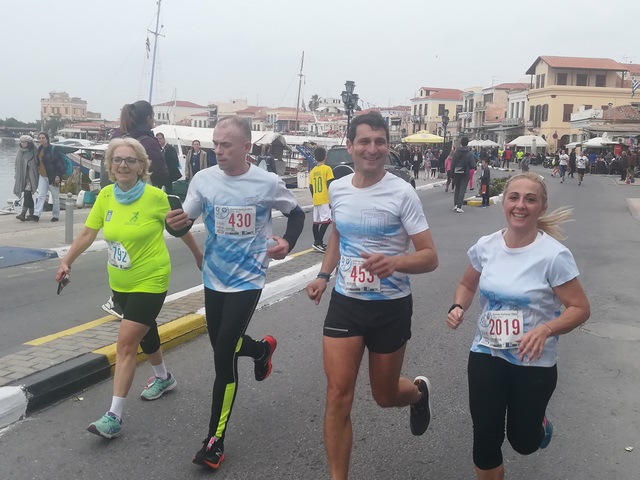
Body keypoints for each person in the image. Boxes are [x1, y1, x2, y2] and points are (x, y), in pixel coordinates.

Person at [165, 116, 305, 471]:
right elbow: (185, 220)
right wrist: (174, 223)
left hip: (248, 279)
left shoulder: (267, 182)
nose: (218, 150)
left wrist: (288, 242)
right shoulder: (203, 179)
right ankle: (260, 350)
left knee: (223, 355)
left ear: (246, 147)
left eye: (226, 145)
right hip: (214, 277)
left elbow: (296, 214)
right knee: (222, 346)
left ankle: (215, 441)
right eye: (216, 144)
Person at [305, 112, 439, 480]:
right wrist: (323, 275)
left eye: (380, 141)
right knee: (337, 395)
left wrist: (395, 262)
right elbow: (338, 234)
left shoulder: (402, 192)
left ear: (388, 147)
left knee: (384, 395)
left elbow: (430, 257)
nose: (372, 148)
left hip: (390, 308)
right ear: (350, 146)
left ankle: (417, 393)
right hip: (346, 303)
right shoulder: (338, 188)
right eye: (364, 141)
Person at [55, 138, 202, 439]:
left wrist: (199, 257)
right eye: (117, 160)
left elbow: (180, 229)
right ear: (110, 165)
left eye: (130, 160)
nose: (123, 165)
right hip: (119, 282)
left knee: (125, 344)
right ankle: (164, 377)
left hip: (151, 279)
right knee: (146, 333)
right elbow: (88, 233)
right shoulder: (106, 195)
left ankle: (113, 416)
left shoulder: (155, 197)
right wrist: (67, 260)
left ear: (141, 166)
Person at [446, 172, 590, 480]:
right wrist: (458, 307)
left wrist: (546, 329)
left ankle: (537, 424)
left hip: (533, 362)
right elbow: (466, 284)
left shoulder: (553, 256)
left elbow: (580, 308)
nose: (520, 205)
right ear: (504, 203)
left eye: (530, 199)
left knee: (524, 443)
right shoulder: (486, 246)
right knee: (485, 438)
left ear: (542, 207)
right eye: (514, 197)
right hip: (486, 353)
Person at [102, 101, 168, 319]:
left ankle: (123, 299)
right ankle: (123, 298)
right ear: (148, 118)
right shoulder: (148, 141)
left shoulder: (117, 136)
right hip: (140, 197)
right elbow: (161, 172)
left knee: (122, 241)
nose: (123, 164)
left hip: (114, 197)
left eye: (129, 161)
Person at [111, 101, 168, 188]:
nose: (154, 120)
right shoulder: (149, 143)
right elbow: (160, 174)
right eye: (153, 116)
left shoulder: (116, 135)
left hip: (114, 189)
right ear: (148, 118)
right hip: (139, 191)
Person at [31, 132, 66, 222]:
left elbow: (59, 164)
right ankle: (36, 215)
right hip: (42, 176)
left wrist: (58, 175)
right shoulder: (39, 149)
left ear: (47, 139)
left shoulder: (53, 150)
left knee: (55, 197)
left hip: (52, 176)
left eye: (43, 138)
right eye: (40, 138)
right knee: (41, 195)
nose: (41, 139)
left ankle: (55, 215)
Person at [309, 146, 334, 252]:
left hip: (316, 199)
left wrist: (314, 196)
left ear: (315, 158)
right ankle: (318, 242)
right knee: (327, 220)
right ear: (325, 157)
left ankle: (317, 242)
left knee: (316, 222)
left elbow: (311, 187)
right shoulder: (327, 169)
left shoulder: (312, 171)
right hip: (325, 198)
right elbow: (330, 184)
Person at [13, 135, 38, 221]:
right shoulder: (19, 152)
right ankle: (31, 214)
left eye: (25, 142)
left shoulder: (34, 151)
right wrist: (16, 174)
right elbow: (16, 164)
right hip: (22, 176)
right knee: (28, 196)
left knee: (27, 194)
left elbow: (37, 163)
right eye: (22, 142)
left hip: (31, 176)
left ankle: (23, 213)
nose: (23, 144)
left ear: (29, 143)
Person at [451, 137, 475, 213]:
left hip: (456, 172)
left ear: (461, 143)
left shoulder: (456, 152)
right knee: (462, 189)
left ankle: (455, 204)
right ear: (467, 143)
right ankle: (459, 206)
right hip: (465, 172)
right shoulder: (470, 153)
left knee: (457, 188)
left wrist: (452, 174)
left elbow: (453, 163)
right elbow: (472, 165)